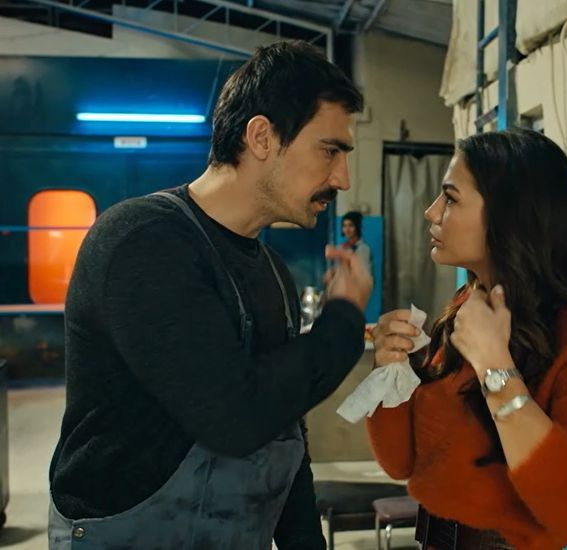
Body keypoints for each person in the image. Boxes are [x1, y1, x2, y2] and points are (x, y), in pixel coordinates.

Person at [48, 41, 372, 550]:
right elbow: (236, 416)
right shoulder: (144, 241)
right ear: (261, 137)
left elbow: (282, 428)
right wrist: (344, 319)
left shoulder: (272, 272)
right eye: (330, 150)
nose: (342, 179)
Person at [367, 129, 567, 550]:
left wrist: (495, 369)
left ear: (508, 216)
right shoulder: (465, 308)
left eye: (450, 198)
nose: (431, 211)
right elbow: (401, 462)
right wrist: (389, 371)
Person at [340, 210, 372, 275]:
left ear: (357, 227)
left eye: (351, 225)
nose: (347, 229)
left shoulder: (363, 249)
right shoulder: (343, 247)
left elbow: (364, 274)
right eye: (344, 226)